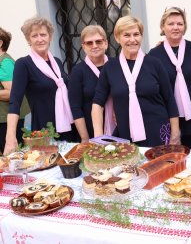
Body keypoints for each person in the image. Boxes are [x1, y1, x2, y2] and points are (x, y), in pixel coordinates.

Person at [92, 16, 180, 147]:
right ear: (117, 38)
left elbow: (169, 99)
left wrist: (175, 133)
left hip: (159, 134)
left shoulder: (154, 64)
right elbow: (97, 104)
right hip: (125, 137)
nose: (132, 40)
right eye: (126, 35)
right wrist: (99, 137)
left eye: (136, 34)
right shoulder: (110, 68)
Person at [4, 17, 76, 154]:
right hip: (45, 132)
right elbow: (15, 101)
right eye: (34, 36)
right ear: (28, 40)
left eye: (43, 34)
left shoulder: (57, 62)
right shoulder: (23, 64)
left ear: (50, 37)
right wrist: (10, 136)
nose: (39, 39)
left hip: (69, 126)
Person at [148, 7, 191, 149]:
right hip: (167, 119)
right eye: (170, 24)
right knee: (171, 160)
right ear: (162, 27)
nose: (175, 27)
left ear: (185, 27)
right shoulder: (154, 55)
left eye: (180, 24)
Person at [68, 25, 115, 143]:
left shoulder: (117, 65)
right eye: (89, 43)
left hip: (119, 128)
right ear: (83, 47)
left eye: (98, 41)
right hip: (91, 131)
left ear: (106, 43)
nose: (94, 46)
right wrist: (85, 138)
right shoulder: (78, 71)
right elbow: (76, 107)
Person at [0, 27, 30, 153]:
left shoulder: (4, 63)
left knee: (13, 158)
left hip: (7, 121)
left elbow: (12, 93)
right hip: (4, 120)